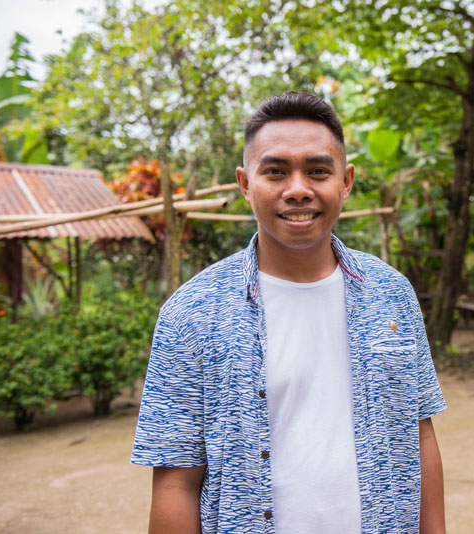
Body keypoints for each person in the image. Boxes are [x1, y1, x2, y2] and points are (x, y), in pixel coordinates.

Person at [131, 91, 447, 534]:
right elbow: (175, 481)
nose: (298, 190)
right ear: (245, 184)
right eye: (276, 171)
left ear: (346, 181)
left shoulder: (392, 294)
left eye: (318, 171)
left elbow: (420, 435)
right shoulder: (191, 313)